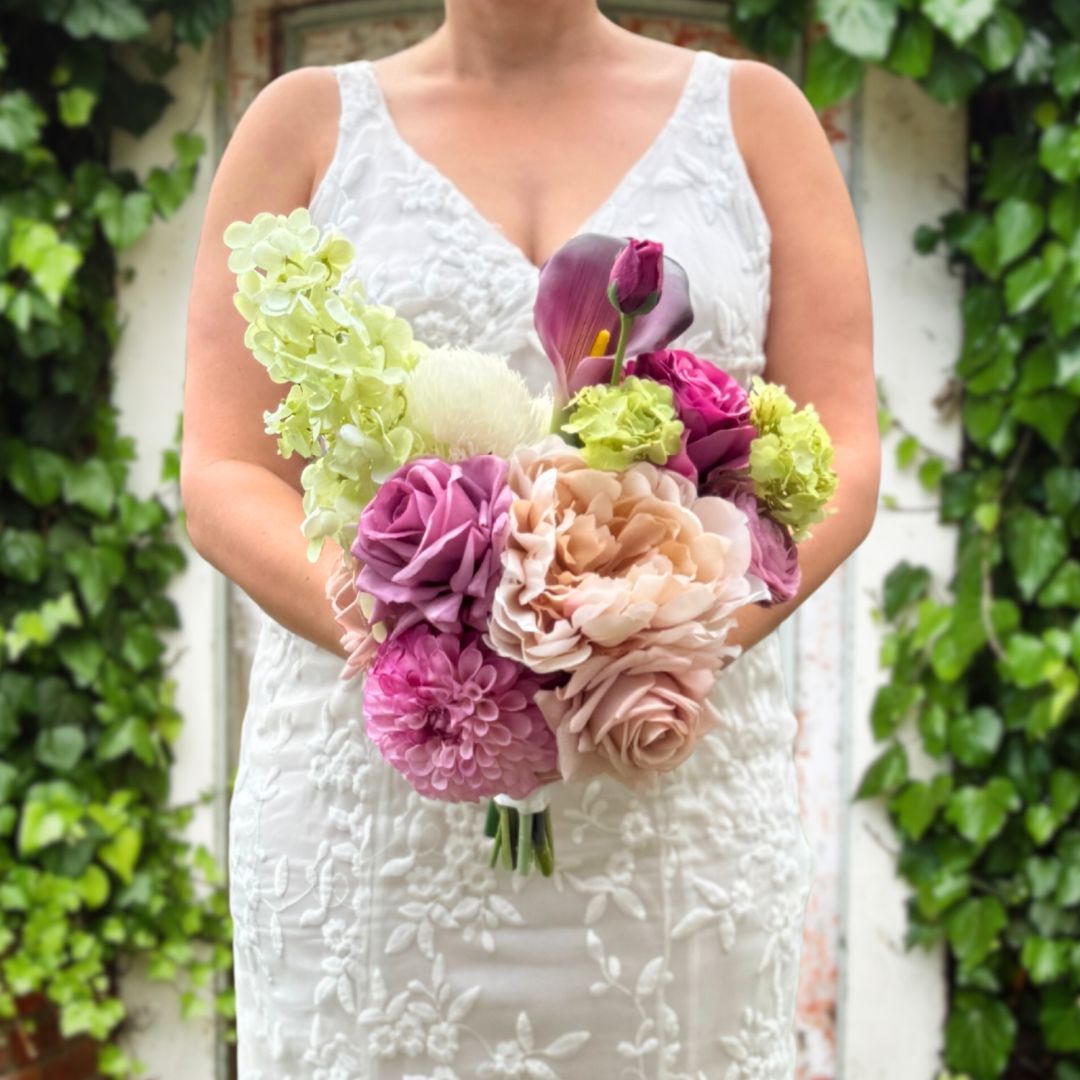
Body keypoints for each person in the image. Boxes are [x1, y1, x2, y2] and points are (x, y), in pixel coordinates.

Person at [181, 1, 879, 1076]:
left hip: (665, 804)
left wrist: (659, 639)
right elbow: (225, 473)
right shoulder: (302, 126)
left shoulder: (755, 120)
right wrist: (433, 642)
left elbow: (843, 445)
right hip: (378, 807)